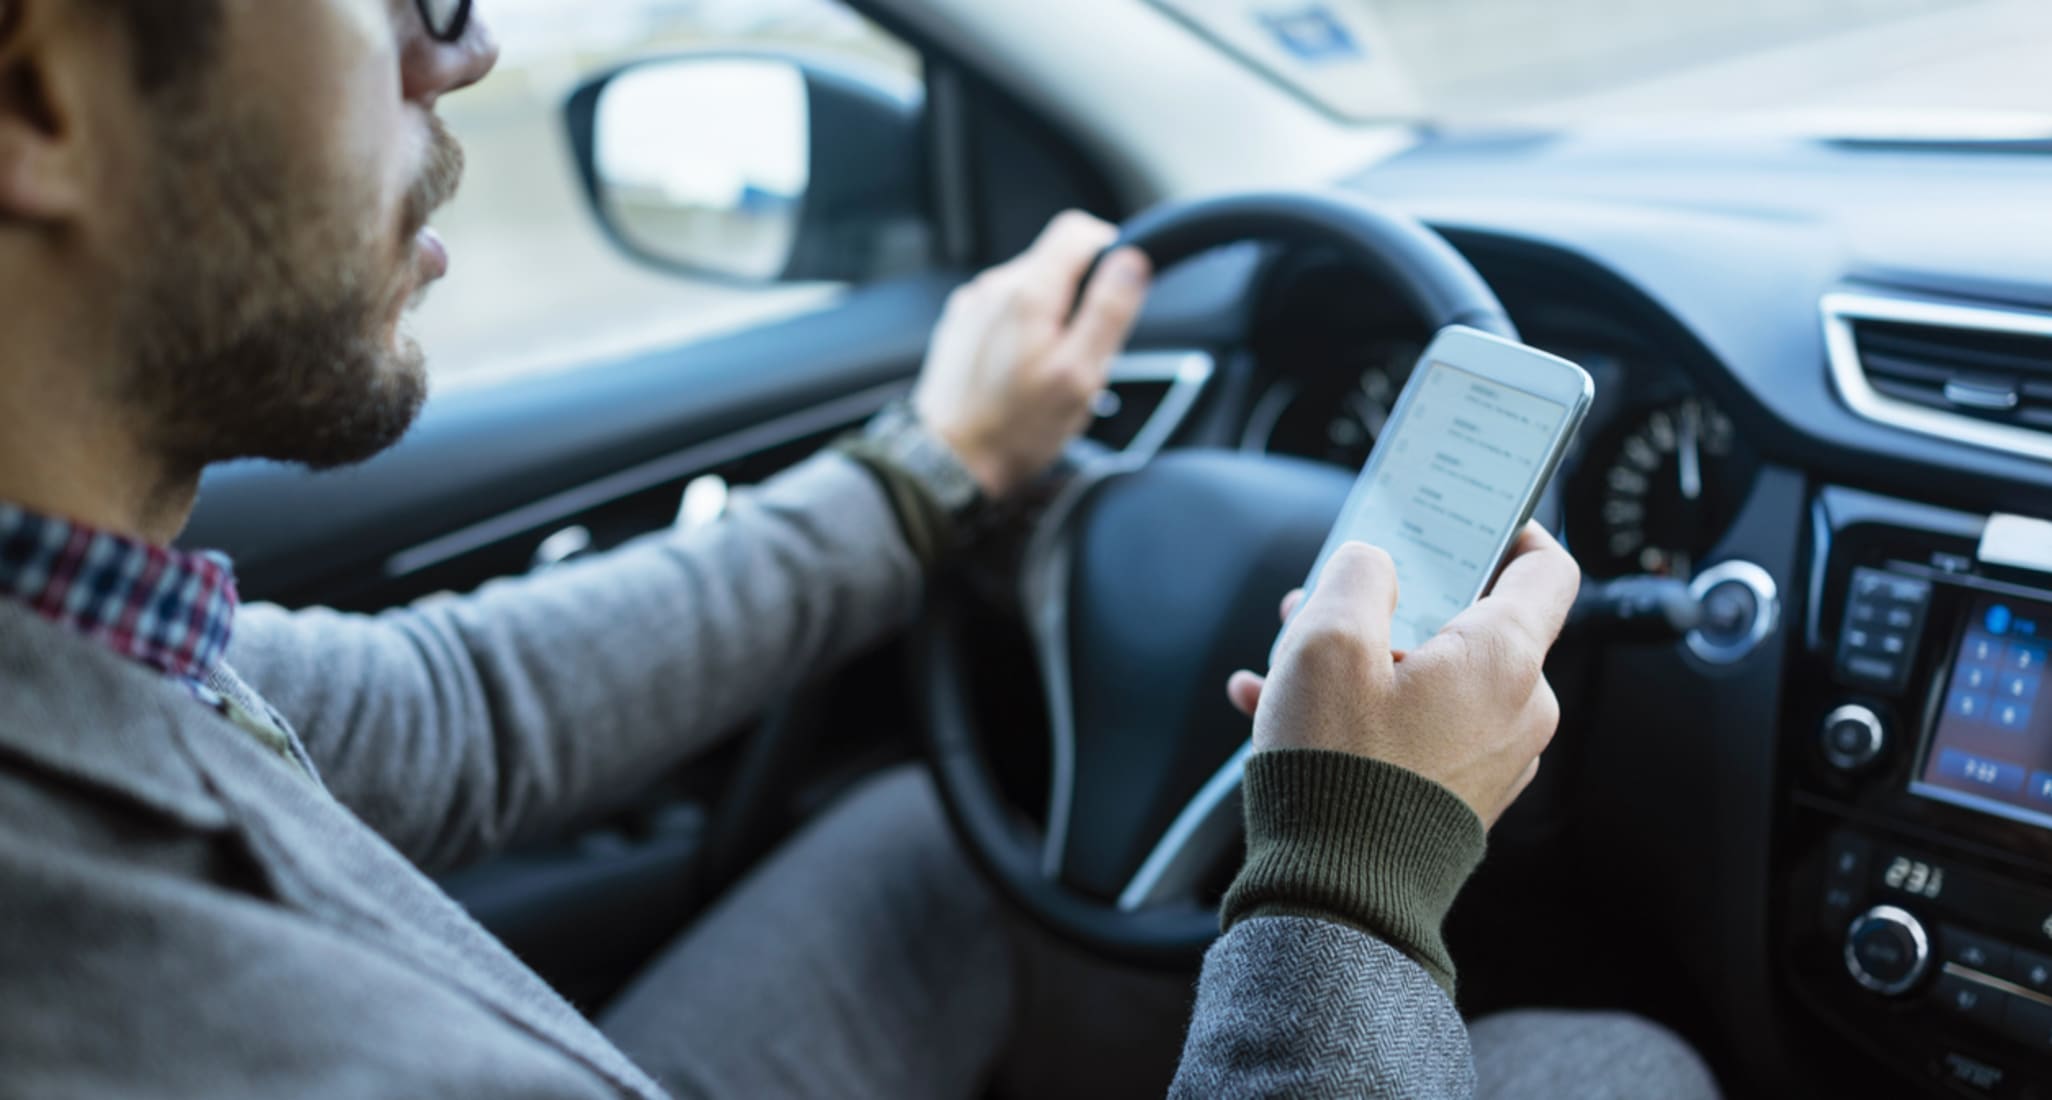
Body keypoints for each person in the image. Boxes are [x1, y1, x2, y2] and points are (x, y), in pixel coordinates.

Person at [0, 0, 1722, 1096]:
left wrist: (932, 472)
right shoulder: (158, 1022)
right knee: (1618, 1067)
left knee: (924, 854)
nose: (465, 49)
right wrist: (1354, 865)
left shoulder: (74, 641)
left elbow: (448, 711)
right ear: (38, 99)